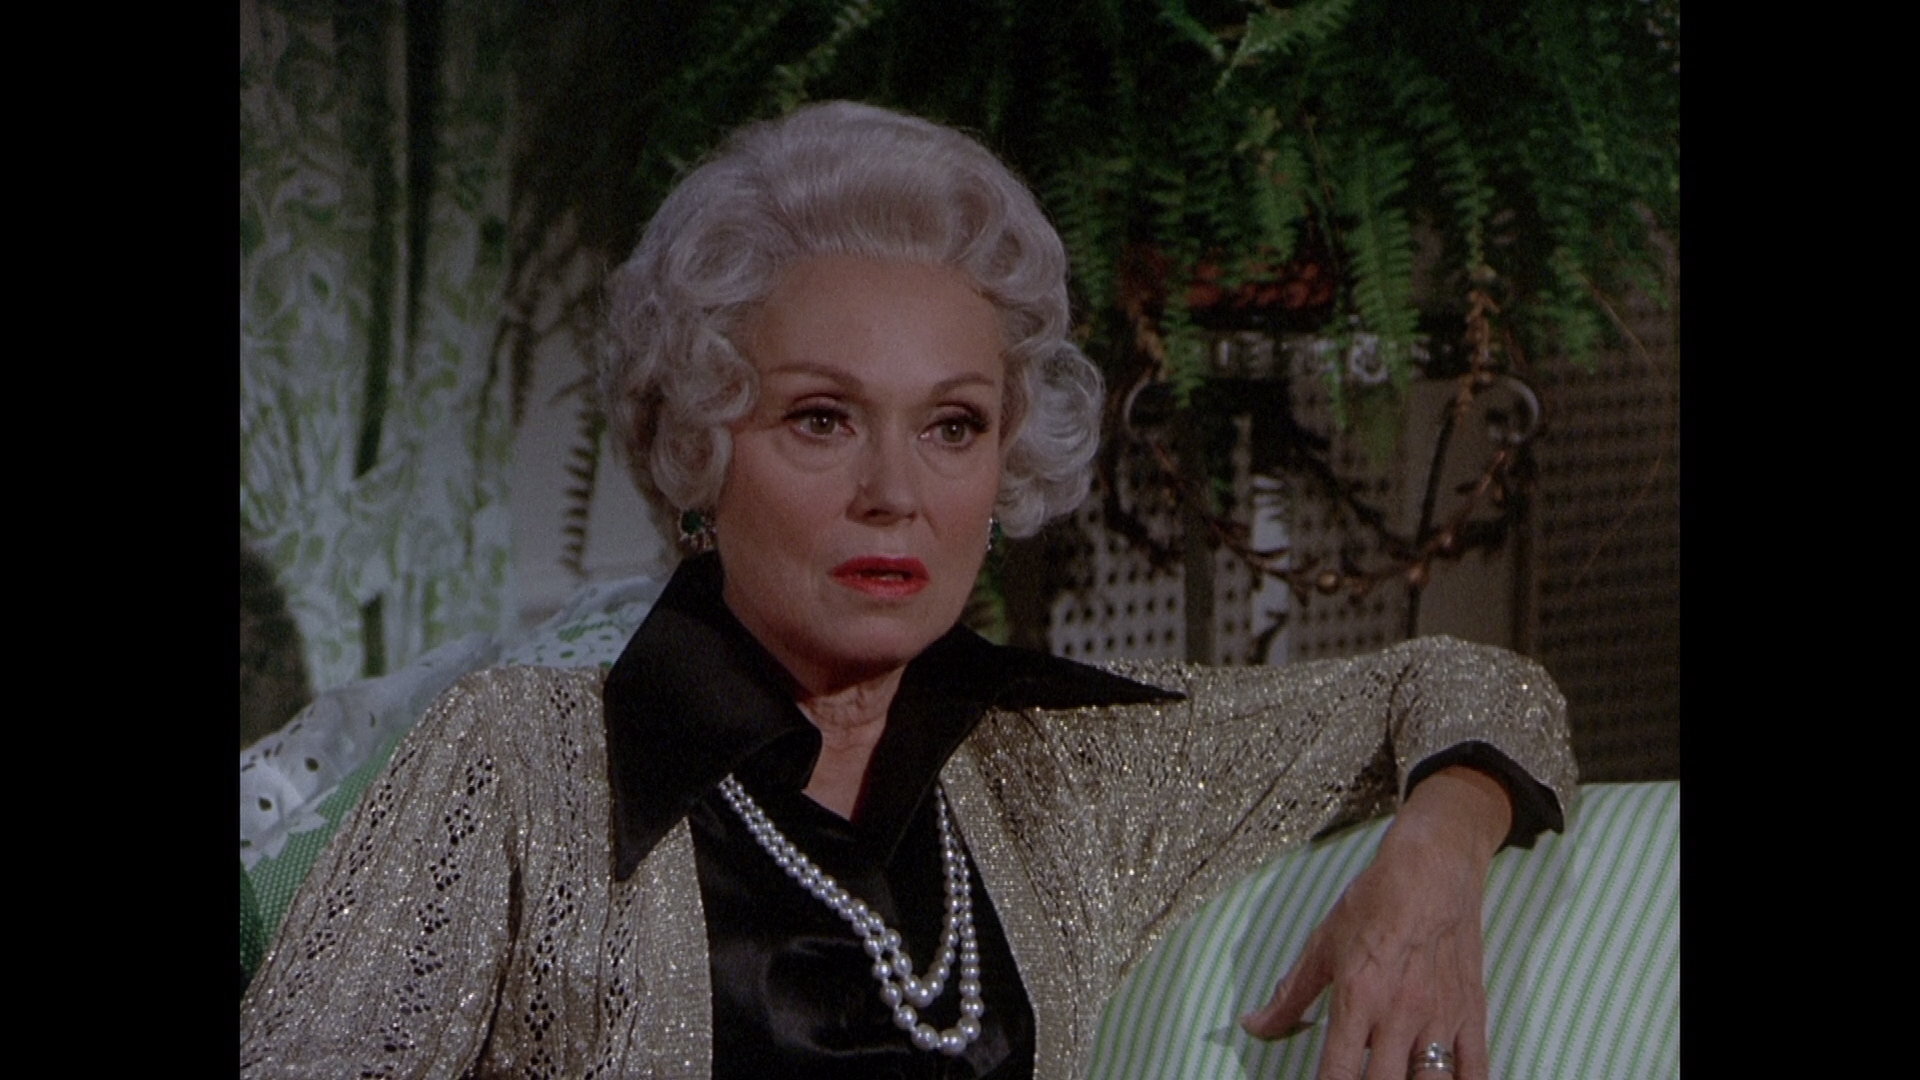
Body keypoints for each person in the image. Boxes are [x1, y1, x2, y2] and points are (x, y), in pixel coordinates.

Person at [239, 101, 1575, 1080]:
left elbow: (1469, 681)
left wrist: (1437, 853)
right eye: (821, 419)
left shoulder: (1057, 768)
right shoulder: (516, 769)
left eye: (952, 426)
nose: (896, 491)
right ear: (699, 447)